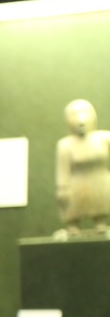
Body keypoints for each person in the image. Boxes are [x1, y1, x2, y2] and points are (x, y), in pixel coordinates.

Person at [55, 98, 110, 237]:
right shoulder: (65, 145)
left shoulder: (104, 139)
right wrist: (62, 187)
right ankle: (73, 225)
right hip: (76, 183)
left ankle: (101, 223)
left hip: (101, 180)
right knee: (72, 205)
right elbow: (63, 169)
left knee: (100, 203)